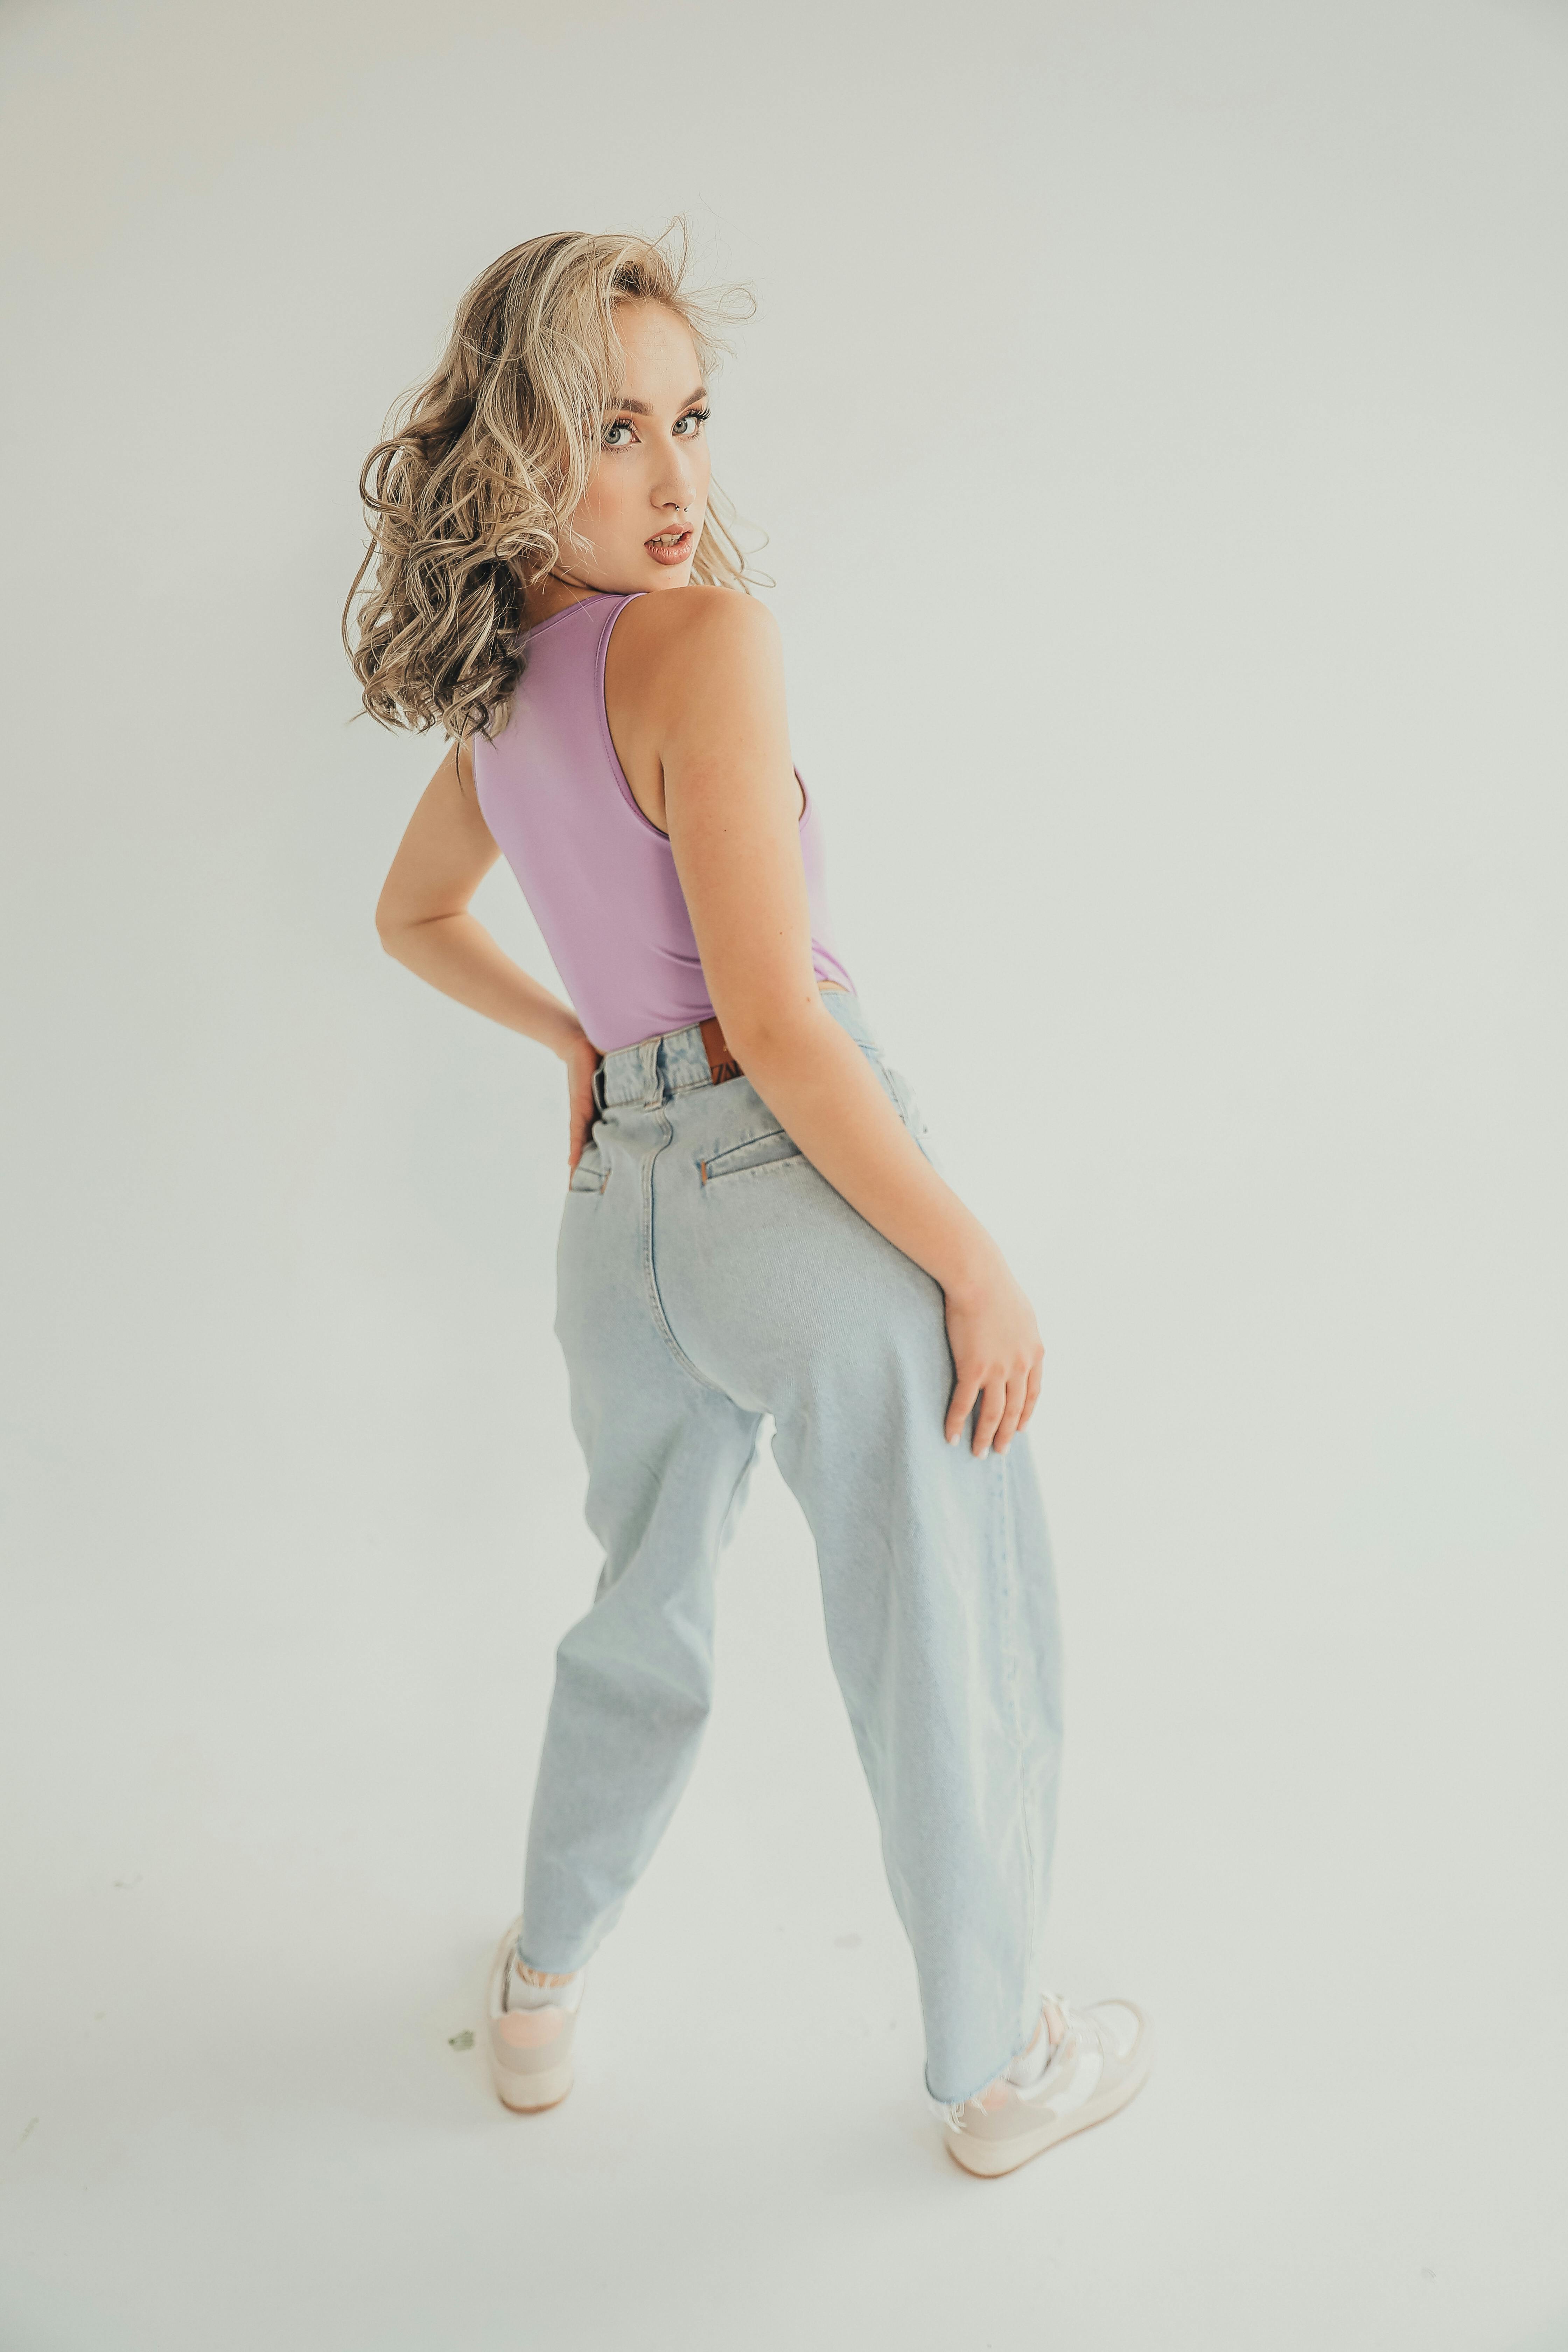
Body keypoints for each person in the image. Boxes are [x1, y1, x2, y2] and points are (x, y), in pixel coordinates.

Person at [345, 227, 1152, 2175]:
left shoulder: (501, 696)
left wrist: (577, 1046)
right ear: (520, 449)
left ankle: (537, 1996)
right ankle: (998, 2072)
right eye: (613, 430)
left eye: (689, 420)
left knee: (641, 1616)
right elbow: (781, 1025)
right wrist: (974, 1261)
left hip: (616, 1229)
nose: (676, 479)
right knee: (940, 1625)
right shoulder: (706, 645)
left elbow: (412, 914)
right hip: (795, 1198)